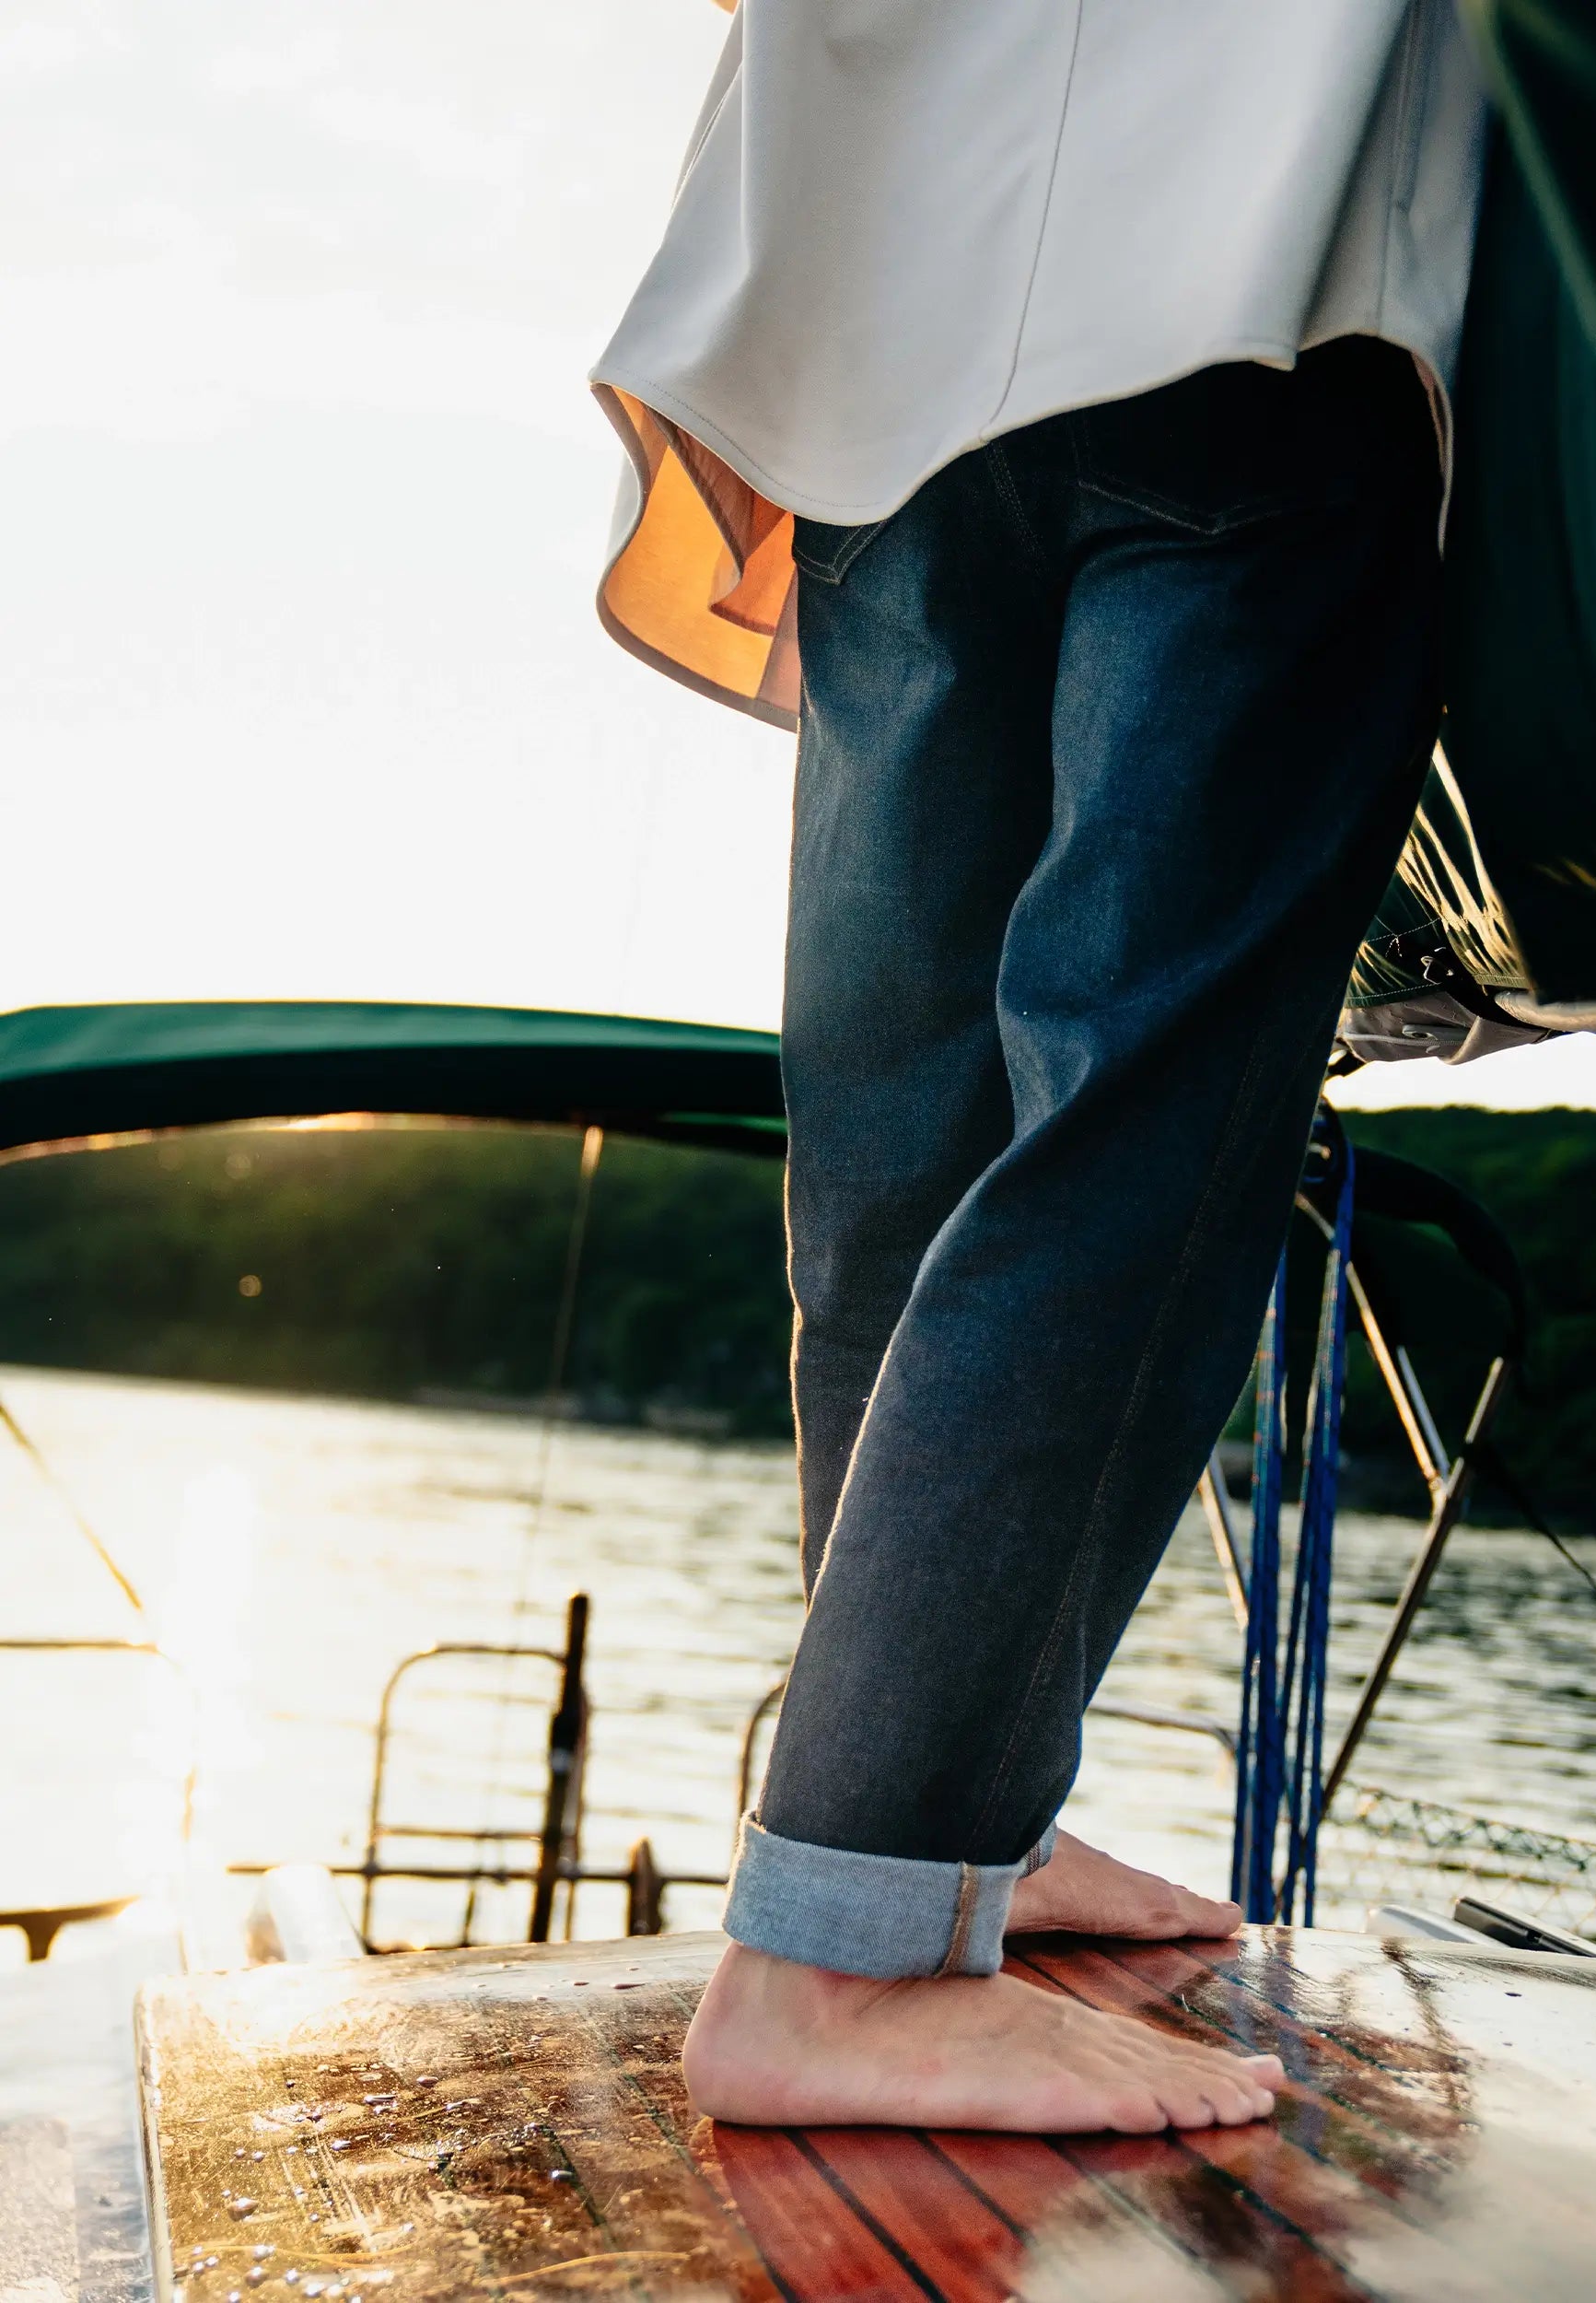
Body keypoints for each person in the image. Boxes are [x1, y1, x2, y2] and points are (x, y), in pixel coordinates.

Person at [590, 2, 1485, 2133]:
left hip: (889, 334)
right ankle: (853, 1934)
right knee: (1138, 1116)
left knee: (902, 1133)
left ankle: (940, 1836)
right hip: (1252, 299)